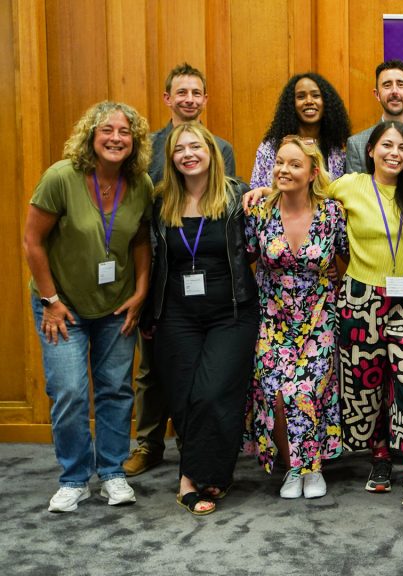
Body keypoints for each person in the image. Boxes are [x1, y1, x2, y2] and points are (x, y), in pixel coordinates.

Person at [23, 101, 153, 512]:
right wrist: (51, 301)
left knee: (116, 390)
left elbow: (140, 242)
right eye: (107, 131)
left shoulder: (142, 185)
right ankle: (75, 478)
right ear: (91, 136)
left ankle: (113, 472)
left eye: (125, 133)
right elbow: (32, 242)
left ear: (135, 142)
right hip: (62, 306)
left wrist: (141, 292)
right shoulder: (61, 177)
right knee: (69, 391)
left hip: (117, 306)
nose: (116, 138)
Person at [126, 62, 237, 478]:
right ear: (167, 98)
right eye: (181, 92)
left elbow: (228, 197)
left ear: (205, 100)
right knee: (152, 365)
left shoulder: (221, 147)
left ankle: (195, 446)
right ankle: (149, 442)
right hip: (156, 263)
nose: (189, 99)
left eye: (196, 93)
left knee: (194, 368)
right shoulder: (148, 148)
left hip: (201, 267)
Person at [145, 122, 258, 515]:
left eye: (196, 146)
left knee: (213, 392)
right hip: (177, 315)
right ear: (171, 158)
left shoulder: (237, 194)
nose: (188, 154)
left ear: (211, 151)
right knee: (185, 397)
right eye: (180, 149)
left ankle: (197, 475)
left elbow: (280, 217)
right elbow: (150, 260)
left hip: (231, 312)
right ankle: (195, 478)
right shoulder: (160, 201)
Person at [329, 122, 403, 511]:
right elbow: (302, 187)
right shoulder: (348, 185)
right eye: (386, 145)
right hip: (360, 299)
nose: (395, 153)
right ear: (370, 150)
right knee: (367, 385)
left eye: (402, 147)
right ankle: (380, 458)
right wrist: (260, 190)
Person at [243, 137, 347, 499]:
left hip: (318, 318)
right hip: (273, 318)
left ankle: (311, 468)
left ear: (312, 172)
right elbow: (245, 258)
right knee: (275, 395)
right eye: (280, 163)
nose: (283, 170)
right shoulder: (259, 211)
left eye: (294, 164)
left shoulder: (332, 213)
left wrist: (336, 288)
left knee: (308, 392)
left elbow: (347, 258)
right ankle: (295, 468)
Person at [250, 72, 351, 187]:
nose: (309, 101)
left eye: (316, 95)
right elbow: (256, 193)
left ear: (327, 103)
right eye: (301, 96)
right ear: (291, 105)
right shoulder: (270, 148)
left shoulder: (336, 151)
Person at [345, 60, 403, 174]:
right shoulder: (357, 144)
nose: (394, 91)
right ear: (377, 94)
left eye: (400, 84)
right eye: (387, 85)